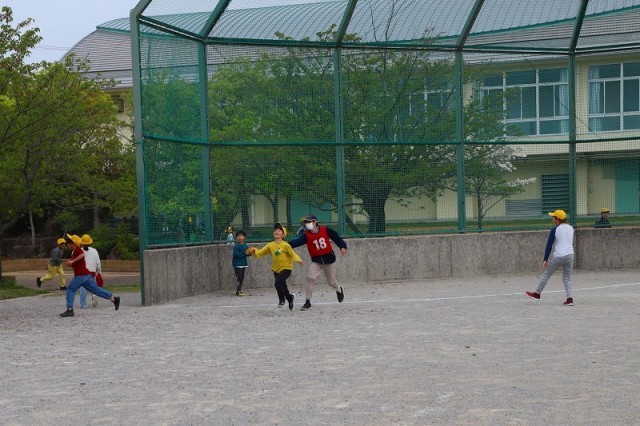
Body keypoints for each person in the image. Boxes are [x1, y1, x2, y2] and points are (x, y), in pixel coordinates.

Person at [288, 214, 347, 311]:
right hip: (317, 261)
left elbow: (336, 237)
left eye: (309, 222)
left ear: (315, 222)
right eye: (306, 223)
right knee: (310, 278)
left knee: (331, 281)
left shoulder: (325, 229)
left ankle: (339, 289)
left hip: (329, 260)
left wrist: (342, 246)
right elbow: (296, 242)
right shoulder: (306, 235)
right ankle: (307, 302)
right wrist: (286, 245)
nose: (307, 224)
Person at [60, 234, 120, 317]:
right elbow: (79, 262)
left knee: (70, 289)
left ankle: (70, 309)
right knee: (95, 289)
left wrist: (72, 261)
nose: (67, 245)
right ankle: (114, 298)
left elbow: (82, 255)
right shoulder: (79, 251)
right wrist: (71, 263)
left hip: (80, 275)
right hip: (86, 275)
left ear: (73, 244)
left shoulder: (77, 250)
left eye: (68, 243)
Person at [526, 209, 575, 306]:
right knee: (567, 278)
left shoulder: (555, 230)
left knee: (546, 274)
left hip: (558, 256)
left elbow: (549, 245)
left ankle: (537, 294)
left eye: (553, 218)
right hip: (570, 256)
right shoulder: (571, 228)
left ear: (558, 219)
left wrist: (545, 259)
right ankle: (570, 299)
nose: (552, 220)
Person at [247, 223, 302, 310]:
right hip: (276, 269)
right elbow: (260, 253)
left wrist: (298, 260)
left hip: (286, 268)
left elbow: (293, 254)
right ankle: (290, 298)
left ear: (283, 235)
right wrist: (254, 251)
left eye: (279, 230)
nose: (276, 231)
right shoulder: (270, 245)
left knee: (278, 283)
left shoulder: (285, 245)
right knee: (283, 286)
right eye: (275, 230)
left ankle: (281, 300)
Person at [78, 234, 102, 308]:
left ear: (82, 242)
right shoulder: (94, 251)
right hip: (92, 272)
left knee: (83, 288)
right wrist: (99, 272)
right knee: (93, 286)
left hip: (83, 272)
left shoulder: (79, 251)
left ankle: (83, 304)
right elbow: (98, 263)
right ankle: (94, 295)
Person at [232, 229, 251, 296]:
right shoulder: (236, 246)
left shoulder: (245, 245)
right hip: (237, 264)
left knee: (241, 277)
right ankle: (238, 291)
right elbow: (236, 255)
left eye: (241, 236)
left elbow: (247, 254)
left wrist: (251, 252)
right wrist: (245, 253)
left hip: (243, 264)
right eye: (238, 236)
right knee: (239, 277)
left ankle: (239, 290)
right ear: (236, 238)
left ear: (244, 237)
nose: (240, 237)